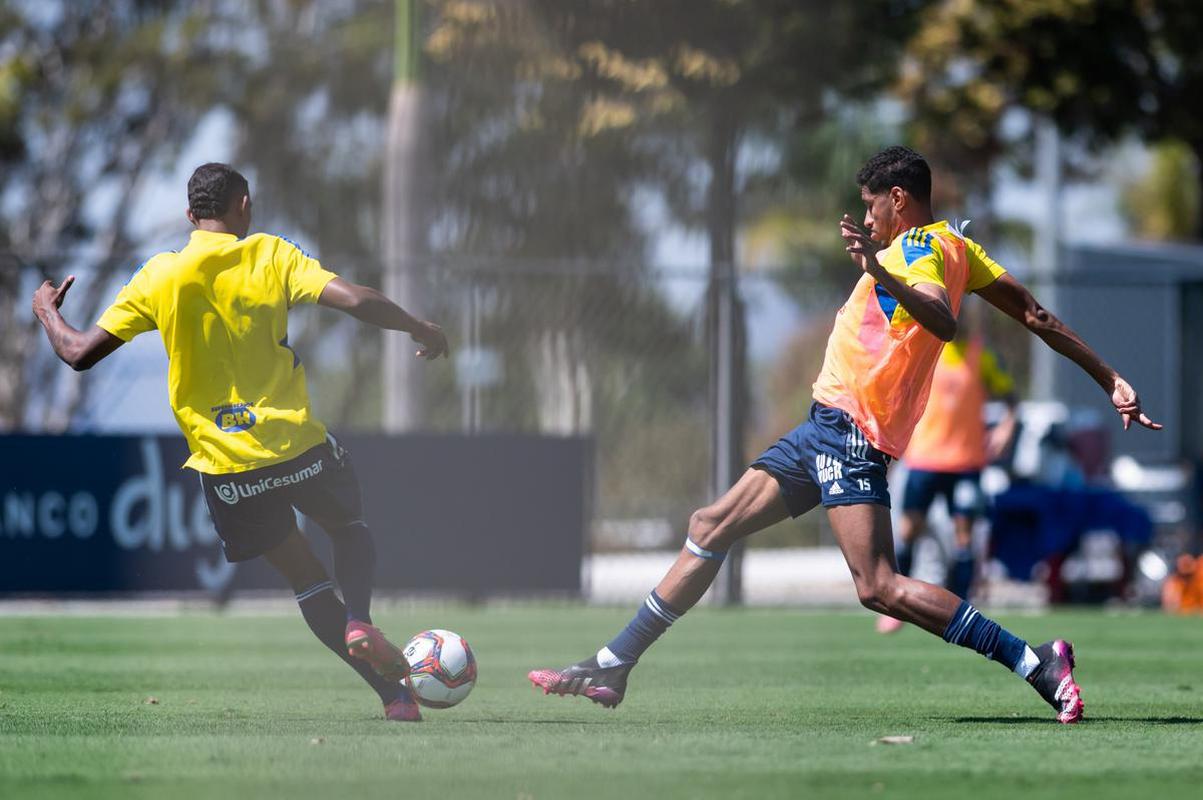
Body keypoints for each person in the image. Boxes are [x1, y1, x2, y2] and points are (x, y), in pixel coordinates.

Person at [528, 146, 1161, 724]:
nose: (869, 217)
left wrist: (879, 272)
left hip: (852, 434)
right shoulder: (960, 249)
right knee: (708, 525)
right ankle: (616, 661)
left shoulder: (915, 250)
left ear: (899, 199)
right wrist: (1110, 378)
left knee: (878, 585)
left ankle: (1038, 662)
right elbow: (1036, 314)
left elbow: (939, 318)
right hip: (821, 428)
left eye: (871, 205)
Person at [32, 163, 448, 723]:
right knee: (349, 527)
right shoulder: (270, 255)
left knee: (305, 578)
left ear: (189, 216)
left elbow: (78, 352)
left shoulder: (160, 276)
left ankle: (394, 697)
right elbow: (354, 299)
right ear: (244, 205)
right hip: (296, 447)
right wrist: (420, 328)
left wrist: (44, 312)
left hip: (227, 471)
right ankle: (360, 619)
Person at [876, 318, 1017, 634]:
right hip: (924, 459)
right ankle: (896, 606)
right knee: (909, 529)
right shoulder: (927, 350)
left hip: (966, 462)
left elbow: (1010, 400)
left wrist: (1006, 428)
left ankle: (962, 612)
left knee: (964, 536)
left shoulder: (981, 354)